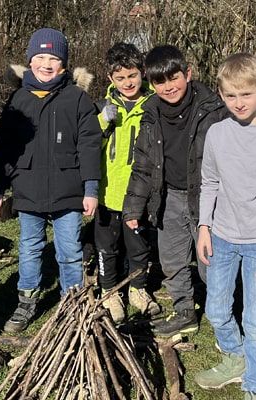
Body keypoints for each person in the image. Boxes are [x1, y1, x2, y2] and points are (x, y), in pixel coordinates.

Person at [193, 52, 256, 400]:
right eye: (231, 95)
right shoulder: (217, 133)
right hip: (221, 236)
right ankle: (235, 357)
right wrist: (204, 226)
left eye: (246, 94)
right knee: (216, 310)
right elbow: (210, 184)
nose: (239, 102)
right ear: (221, 95)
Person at [0, 28, 102, 333]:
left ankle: (72, 303)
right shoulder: (18, 99)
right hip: (28, 189)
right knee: (30, 247)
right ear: (30, 61)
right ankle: (26, 301)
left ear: (64, 63)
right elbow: (4, 146)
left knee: (69, 250)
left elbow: (90, 144)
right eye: (40, 57)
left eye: (53, 58)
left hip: (69, 190)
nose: (46, 63)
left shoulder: (77, 98)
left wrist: (91, 188)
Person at [121, 45, 229, 338]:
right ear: (150, 82)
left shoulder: (213, 109)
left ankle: (226, 313)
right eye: (160, 81)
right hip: (168, 196)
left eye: (174, 78)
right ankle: (184, 311)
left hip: (207, 198)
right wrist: (133, 208)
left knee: (210, 262)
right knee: (171, 260)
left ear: (188, 73)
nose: (168, 87)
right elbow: (142, 164)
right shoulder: (150, 113)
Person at [94, 42, 162, 322]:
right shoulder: (103, 106)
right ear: (111, 79)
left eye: (132, 76)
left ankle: (138, 288)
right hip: (107, 193)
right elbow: (88, 146)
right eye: (120, 78)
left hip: (138, 194)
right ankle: (109, 292)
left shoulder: (153, 105)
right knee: (106, 247)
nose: (127, 83)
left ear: (142, 73)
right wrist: (101, 121)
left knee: (139, 245)